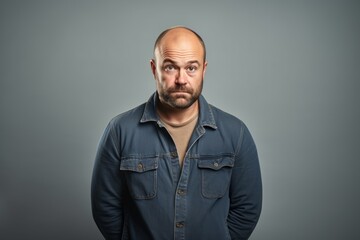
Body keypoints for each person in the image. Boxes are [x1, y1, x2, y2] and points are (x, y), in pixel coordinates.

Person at [91, 26, 262, 240]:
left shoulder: (236, 133)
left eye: (191, 68)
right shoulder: (119, 131)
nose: (181, 79)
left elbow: (247, 210)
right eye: (171, 67)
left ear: (204, 70)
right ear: (154, 69)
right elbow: (105, 208)